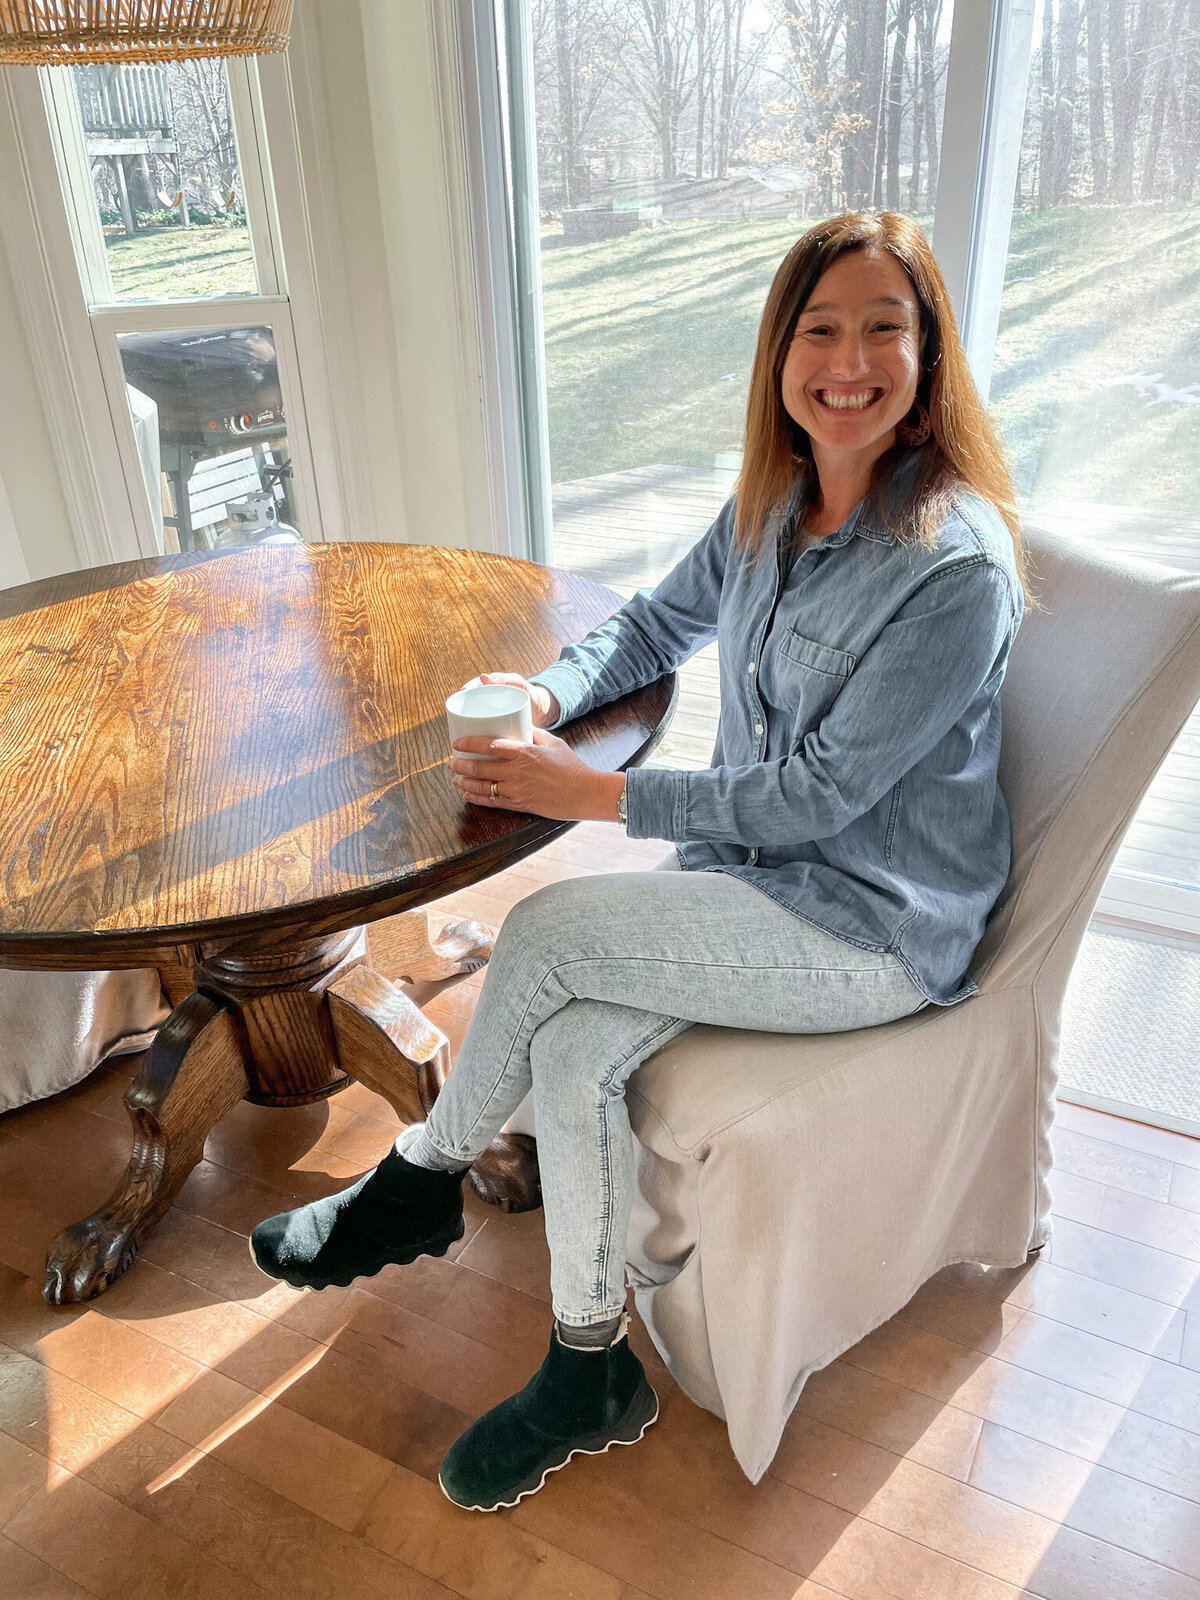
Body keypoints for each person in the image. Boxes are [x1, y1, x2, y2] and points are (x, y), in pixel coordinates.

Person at [250, 210, 1027, 1512]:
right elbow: (656, 623)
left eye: (884, 327)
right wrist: (545, 695)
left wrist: (594, 793)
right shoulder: (774, 502)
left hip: (879, 925)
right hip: (757, 880)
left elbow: (820, 795)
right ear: (780, 354)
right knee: (564, 1045)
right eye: (819, 328)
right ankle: (589, 1367)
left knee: (546, 936)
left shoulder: (956, 567)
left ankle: (419, 1180)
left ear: (929, 352)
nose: (850, 360)